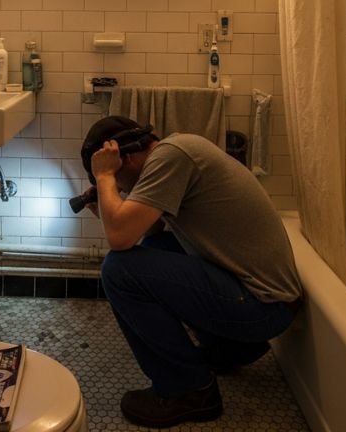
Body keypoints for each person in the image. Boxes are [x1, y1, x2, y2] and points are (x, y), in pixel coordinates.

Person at [79, 115, 303, 428]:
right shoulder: (176, 151)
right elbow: (149, 229)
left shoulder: (171, 157)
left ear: (124, 159)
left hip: (262, 307)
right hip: (265, 298)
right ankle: (230, 348)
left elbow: (120, 239)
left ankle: (189, 391)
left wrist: (103, 178)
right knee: (157, 245)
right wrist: (107, 205)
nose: (119, 187)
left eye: (119, 180)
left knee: (119, 271)